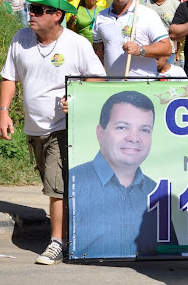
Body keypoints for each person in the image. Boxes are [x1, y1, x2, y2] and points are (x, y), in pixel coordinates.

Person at [0, 0, 105, 265]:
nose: (31, 13)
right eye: (32, 8)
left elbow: (97, 77)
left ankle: (56, 242)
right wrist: (4, 111)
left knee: (56, 188)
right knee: (53, 185)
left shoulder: (76, 44)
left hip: (62, 128)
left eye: (38, 9)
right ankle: (72, 234)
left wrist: (78, 98)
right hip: (34, 129)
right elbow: (10, 77)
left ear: (57, 14)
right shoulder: (20, 39)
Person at [69, 91, 170, 258]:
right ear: (100, 133)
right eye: (122, 127)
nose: (134, 138)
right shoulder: (74, 182)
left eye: (144, 130)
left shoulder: (156, 193)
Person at [93, 0, 172, 78]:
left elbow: (166, 48)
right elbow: (98, 50)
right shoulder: (101, 17)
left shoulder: (147, 14)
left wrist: (140, 50)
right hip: (112, 85)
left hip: (143, 84)